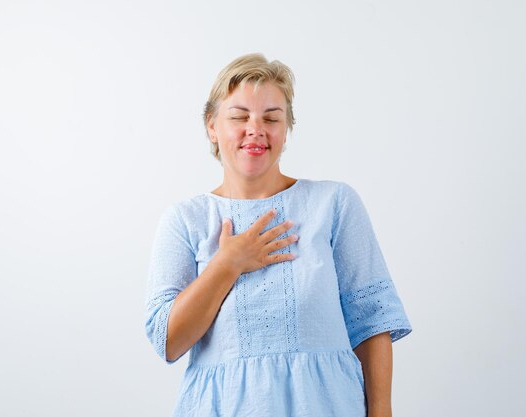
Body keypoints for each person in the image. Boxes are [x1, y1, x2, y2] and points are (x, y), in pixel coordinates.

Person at [144, 52, 412, 416]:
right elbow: (168, 342)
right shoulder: (184, 220)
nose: (255, 129)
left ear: (286, 130)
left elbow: (372, 320)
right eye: (239, 116)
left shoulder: (334, 204)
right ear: (212, 126)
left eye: (271, 117)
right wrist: (228, 263)